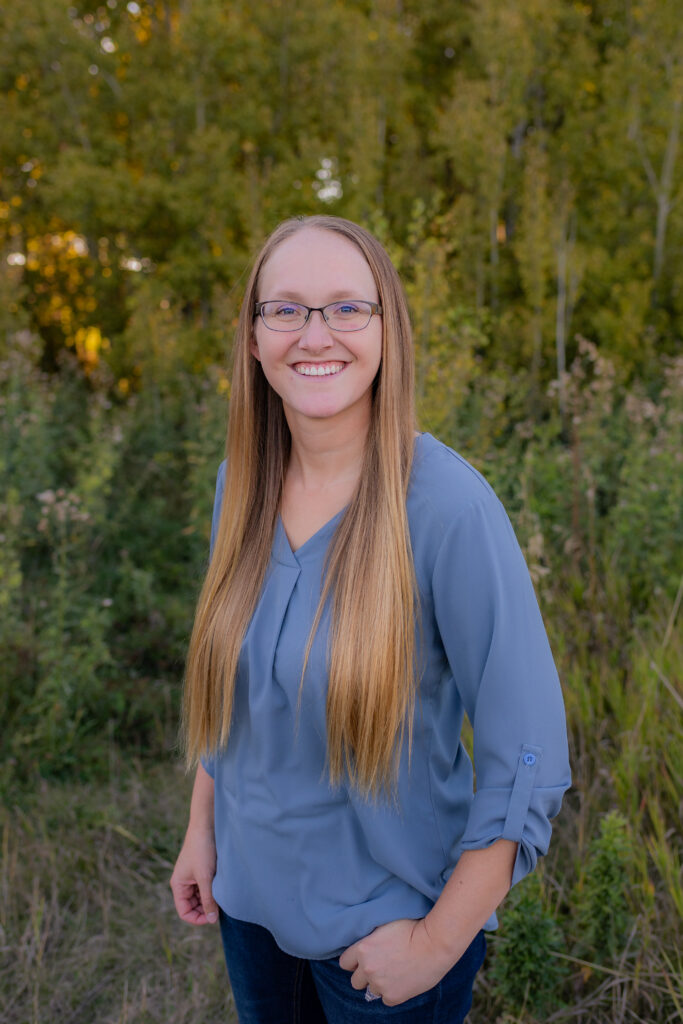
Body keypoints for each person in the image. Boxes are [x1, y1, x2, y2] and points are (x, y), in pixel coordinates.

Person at [170, 214, 571, 1023]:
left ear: (388, 330)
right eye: (285, 309)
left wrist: (432, 946)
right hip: (250, 912)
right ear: (253, 340)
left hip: (382, 939)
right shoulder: (237, 485)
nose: (315, 333)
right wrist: (200, 829)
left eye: (347, 308)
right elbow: (238, 687)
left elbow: (526, 751)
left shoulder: (447, 506)